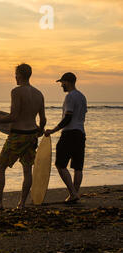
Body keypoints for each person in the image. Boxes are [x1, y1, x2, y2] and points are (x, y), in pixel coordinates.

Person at [0, 64, 46, 209]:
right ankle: (22, 203)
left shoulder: (16, 92)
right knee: (27, 169)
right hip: (31, 136)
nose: (15, 77)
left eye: (15, 74)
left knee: (1, 167)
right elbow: (43, 120)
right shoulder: (39, 94)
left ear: (20, 75)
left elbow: (13, 116)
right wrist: (40, 130)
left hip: (18, 135)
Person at [45, 72, 87, 203]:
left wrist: (53, 130)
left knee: (60, 164)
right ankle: (75, 194)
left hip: (69, 133)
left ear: (68, 82)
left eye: (62, 82)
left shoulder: (70, 97)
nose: (61, 85)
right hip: (80, 133)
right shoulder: (82, 97)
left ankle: (73, 193)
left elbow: (68, 117)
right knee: (78, 167)